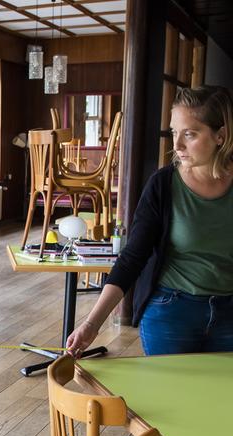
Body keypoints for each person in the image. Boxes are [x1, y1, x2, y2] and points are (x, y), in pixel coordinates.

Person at [67, 85, 233, 358]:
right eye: (174, 132)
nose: (176, 145)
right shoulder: (163, 185)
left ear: (221, 136)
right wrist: (91, 324)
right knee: (169, 400)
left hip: (229, 315)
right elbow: (132, 257)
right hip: (171, 313)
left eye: (189, 134)